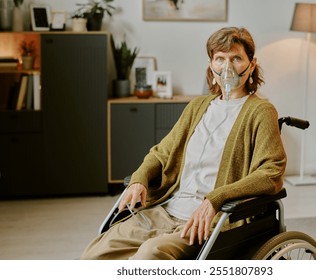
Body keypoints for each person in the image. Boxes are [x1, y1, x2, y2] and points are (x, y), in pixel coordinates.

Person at [80, 26, 287, 260]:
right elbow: (161, 153)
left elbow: (271, 172)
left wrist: (217, 198)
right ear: (211, 66)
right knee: (95, 254)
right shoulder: (197, 106)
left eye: (236, 58)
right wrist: (139, 179)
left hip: (209, 221)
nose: (227, 67)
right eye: (220, 58)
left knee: (149, 256)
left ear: (251, 64)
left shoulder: (261, 111)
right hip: (167, 210)